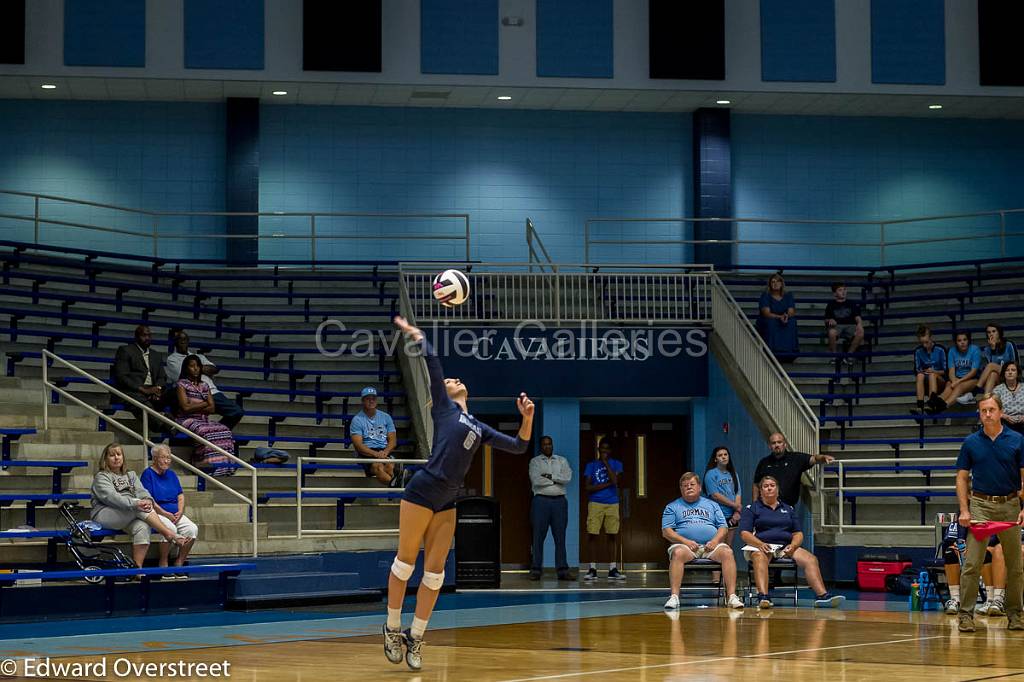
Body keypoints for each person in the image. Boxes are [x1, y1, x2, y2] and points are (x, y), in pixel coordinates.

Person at [384, 316, 533, 671]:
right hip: (422, 491)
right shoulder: (443, 408)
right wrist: (418, 336)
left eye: (456, 380)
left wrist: (526, 417)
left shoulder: (478, 427)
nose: (453, 380)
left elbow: (518, 446)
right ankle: (391, 628)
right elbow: (434, 365)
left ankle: (416, 637)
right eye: (451, 381)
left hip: (447, 500)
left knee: (434, 574)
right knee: (405, 565)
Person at [954, 393, 1024, 633]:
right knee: (972, 563)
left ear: (1001, 412)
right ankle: (965, 614)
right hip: (980, 507)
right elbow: (962, 477)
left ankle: (1015, 614)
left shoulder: (1017, 440)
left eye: (992, 409)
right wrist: (964, 509)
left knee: (1015, 566)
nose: (988, 414)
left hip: (1010, 506)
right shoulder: (971, 442)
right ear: (979, 414)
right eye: (983, 411)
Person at [740, 476, 844, 609]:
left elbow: (798, 533)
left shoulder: (788, 509)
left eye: (772, 485)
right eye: (765, 486)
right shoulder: (752, 508)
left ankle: (822, 596)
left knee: (810, 559)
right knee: (760, 557)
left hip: (784, 546)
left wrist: (793, 545)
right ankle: (763, 597)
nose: (769, 488)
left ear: (778, 489)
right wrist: (760, 544)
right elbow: (744, 533)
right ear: (760, 491)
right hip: (760, 546)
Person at [90, 443, 187, 568]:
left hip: (128, 513)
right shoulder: (101, 477)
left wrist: (147, 499)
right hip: (105, 513)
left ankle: (137, 568)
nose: (116, 458)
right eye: (112, 455)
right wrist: (136, 503)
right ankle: (169, 534)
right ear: (105, 459)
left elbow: (142, 491)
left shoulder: (131, 475)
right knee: (139, 508)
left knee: (142, 527)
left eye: (119, 454)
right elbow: (112, 498)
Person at [661, 472, 744, 611]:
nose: (689, 487)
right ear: (681, 489)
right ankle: (674, 597)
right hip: (685, 546)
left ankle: (731, 596)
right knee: (677, 553)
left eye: (692, 484)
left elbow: (723, 528)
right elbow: (666, 532)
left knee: (727, 552)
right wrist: (685, 541)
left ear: (699, 487)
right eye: (685, 486)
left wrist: (715, 541)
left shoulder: (712, 505)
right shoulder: (672, 507)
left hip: (711, 546)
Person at [173, 354, 238, 477]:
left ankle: (223, 467)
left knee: (226, 431)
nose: (196, 368)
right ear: (186, 369)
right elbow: (185, 408)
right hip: (185, 419)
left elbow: (212, 408)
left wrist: (195, 405)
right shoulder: (181, 384)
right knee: (205, 431)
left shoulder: (205, 385)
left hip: (203, 419)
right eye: (192, 366)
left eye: (198, 366)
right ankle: (201, 462)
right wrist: (204, 403)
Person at [165, 330, 244, 429]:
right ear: (174, 342)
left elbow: (215, 369)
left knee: (237, 412)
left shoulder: (199, 356)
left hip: (212, 391)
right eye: (179, 339)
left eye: (185, 339)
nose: (182, 341)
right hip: (192, 393)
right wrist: (204, 369)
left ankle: (217, 430)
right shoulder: (172, 359)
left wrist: (197, 368)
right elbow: (185, 375)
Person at [140, 444, 198, 578]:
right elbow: (149, 499)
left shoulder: (171, 474)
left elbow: (180, 495)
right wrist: (164, 513)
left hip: (175, 513)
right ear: (154, 458)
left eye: (168, 458)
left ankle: (179, 563)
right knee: (169, 527)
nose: (166, 461)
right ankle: (163, 563)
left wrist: (180, 511)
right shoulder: (147, 474)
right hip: (156, 513)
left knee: (192, 529)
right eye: (163, 457)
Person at [528, 435, 572, 581]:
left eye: (549, 444)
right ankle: (536, 570)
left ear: (552, 445)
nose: (547, 446)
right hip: (541, 502)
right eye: (545, 444)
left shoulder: (562, 460)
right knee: (538, 537)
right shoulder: (535, 462)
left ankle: (562, 571)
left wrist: (549, 476)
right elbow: (536, 480)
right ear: (541, 446)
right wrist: (556, 480)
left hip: (559, 503)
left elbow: (567, 478)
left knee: (560, 537)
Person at [582, 438, 626, 582]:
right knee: (592, 535)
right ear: (598, 450)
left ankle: (612, 569)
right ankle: (592, 569)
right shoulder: (591, 465)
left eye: (607, 449)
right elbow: (587, 487)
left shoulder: (616, 464)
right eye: (602, 448)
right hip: (595, 503)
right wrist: (606, 485)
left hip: (612, 503)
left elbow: (615, 480)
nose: (604, 451)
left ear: (610, 451)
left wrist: (606, 463)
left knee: (612, 535)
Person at [940, 518, 1004, 616]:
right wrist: (959, 544)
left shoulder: (994, 511)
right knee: (950, 552)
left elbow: (996, 538)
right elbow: (953, 539)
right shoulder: (964, 514)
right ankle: (955, 599)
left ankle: (990, 599)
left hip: (988, 545)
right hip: (969, 546)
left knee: (985, 552)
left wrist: (974, 547)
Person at [752, 432, 834, 507]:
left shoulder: (796, 459)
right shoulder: (764, 462)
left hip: (787, 508)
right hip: (766, 508)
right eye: (774, 443)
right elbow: (756, 484)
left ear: (785, 444)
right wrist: (755, 505)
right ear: (770, 446)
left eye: (779, 442)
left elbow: (814, 458)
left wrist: (823, 457)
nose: (777, 445)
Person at [112, 325, 168, 430]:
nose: (147, 338)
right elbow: (122, 376)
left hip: (152, 390)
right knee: (138, 399)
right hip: (132, 391)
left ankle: (181, 423)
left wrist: (158, 389)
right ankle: (163, 424)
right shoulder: (125, 350)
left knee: (174, 395)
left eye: (149, 335)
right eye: (144, 335)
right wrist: (143, 389)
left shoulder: (156, 355)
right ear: (136, 337)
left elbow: (162, 376)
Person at [351, 386, 401, 487]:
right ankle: (400, 487)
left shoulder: (386, 417)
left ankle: (397, 486)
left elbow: (393, 440)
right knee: (378, 466)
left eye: (373, 398)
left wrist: (384, 452)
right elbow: (358, 445)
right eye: (368, 398)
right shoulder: (357, 419)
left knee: (389, 466)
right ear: (363, 401)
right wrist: (375, 454)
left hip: (383, 450)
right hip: (368, 452)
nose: (371, 401)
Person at [930, 331, 981, 413]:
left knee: (959, 386)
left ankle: (944, 405)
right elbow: (951, 370)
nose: (962, 342)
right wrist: (954, 381)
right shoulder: (952, 351)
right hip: (957, 378)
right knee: (949, 386)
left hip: (972, 379)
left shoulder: (975, 350)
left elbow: (973, 372)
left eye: (965, 340)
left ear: (969, 340)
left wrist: (958, 382)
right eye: (959, 341)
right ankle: (936, 402)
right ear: (956, 342)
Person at [703, 446, 741, 545]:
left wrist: (737, 512)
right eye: (720, 455)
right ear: (715, 459)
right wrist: (734, 505)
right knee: (718, 546)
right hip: (718, 515)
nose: (723, 457)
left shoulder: (733, 474)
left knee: (728, 547)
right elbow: (715, 495)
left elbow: (737, 492)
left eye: (725, 454)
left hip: (732, 516)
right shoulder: (711, 474)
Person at [757, 273, 798, 361]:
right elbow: (766, 313)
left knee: (792, 322)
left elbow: (791, 311)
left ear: (781, 283)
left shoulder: (788, 295)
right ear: (770, 284)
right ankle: (772, 352)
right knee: (770, 322)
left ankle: (789, 352)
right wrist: (780, 317)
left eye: (778, 281)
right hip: (770, 318)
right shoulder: (766, 296)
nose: (775, 284)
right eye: (773, 282)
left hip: (784, 317)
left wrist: (786, 316)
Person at [823, 282, 864, 364]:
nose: (843, 292)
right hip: (837, 326)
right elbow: (826, 320)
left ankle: (849, 356)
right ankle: (834, 356)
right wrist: (830, 320)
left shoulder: (851, 303)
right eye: (840, 290)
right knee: (831, 332)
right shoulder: (831, 304)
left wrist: (859, 324)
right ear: (835, 293)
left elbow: (857, 317)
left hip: (850, 325)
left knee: (861, 332)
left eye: (845, 289)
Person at [912, 325, 947, 415]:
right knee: (919, 375)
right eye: (922, 343)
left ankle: (932, 403)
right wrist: (924, 371)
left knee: (932, 375)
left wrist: (934, 371)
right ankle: (920, 406)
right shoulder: (918, 351)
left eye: (926, 342)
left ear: (931, 338)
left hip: (940, 381)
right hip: (926, 381)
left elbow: (946, 371)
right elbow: (917, 370)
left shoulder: (940, 349)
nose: (924, 345)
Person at [979, 324, 1019, 394]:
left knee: (991, 366)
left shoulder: (1009, 344)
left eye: (994, 331)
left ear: (999, 332)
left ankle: (976, 389)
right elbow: (988, 370)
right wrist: (993, 349)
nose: (991, 334)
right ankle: (986, 400)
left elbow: (1015, 363)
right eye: (989, 332)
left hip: (1011, 373)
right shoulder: (987, 349)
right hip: (998, 377)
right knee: (992, 374)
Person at [994, 361, 1024, 434]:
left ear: (1017, 373)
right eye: (1007, 370)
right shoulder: (998, 389)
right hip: (1005, 422)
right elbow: (993, 408)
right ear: (1004, 374)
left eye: (1013, 370)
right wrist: (1004, 416)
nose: (1010, 372)